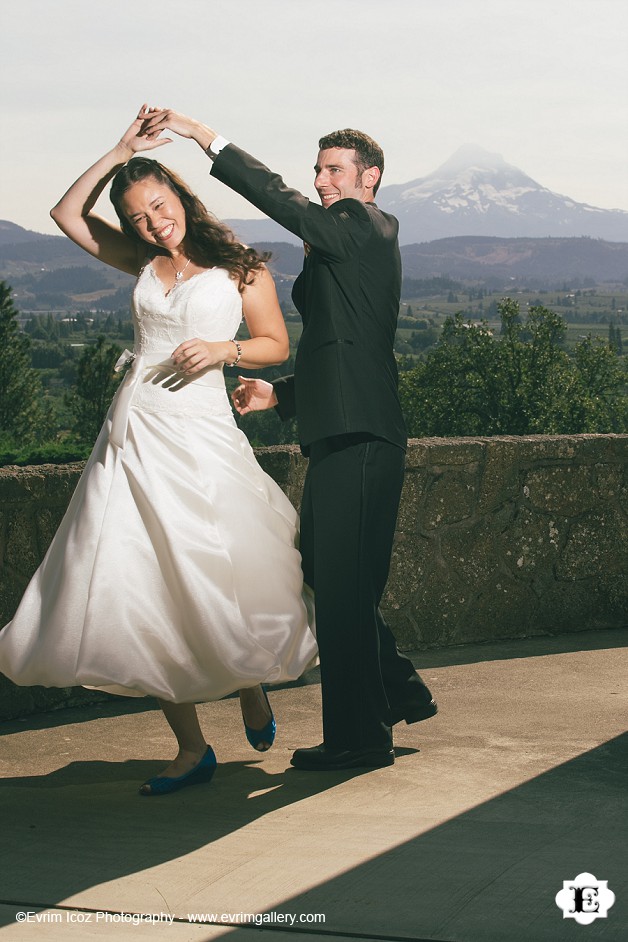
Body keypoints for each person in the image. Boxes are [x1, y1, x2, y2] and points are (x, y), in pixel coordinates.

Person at [0, 106, 317, 795]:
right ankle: (190, 748)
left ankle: (250, 685)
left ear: (181, 198)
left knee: (214, 577)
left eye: (159, 205)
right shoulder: (140, 258)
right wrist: (119, 150)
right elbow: (65, 214)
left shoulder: (242, 267)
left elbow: (275, 345)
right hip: (131, 438)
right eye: (139, 215)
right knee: (137, 584)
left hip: (200, 441)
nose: (152, 223)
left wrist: (222, 351)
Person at [137, 108, 437, 771]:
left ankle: (359, 737)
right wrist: (281, 395)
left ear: (370, 178)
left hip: (362, 440)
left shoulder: (362, 222)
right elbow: (344, 350)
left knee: (341, 590)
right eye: (319, 170)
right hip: (343, 431)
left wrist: (202, 136)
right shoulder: (351, 244)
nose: (322, 179)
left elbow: (284, 201)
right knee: (327, 578)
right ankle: (396, 689)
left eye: (334, 170)